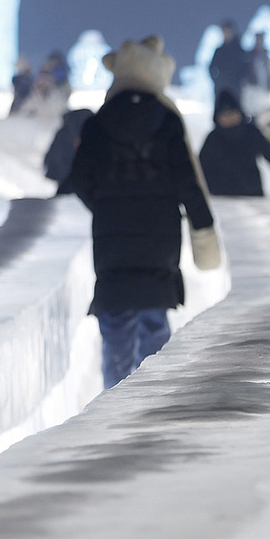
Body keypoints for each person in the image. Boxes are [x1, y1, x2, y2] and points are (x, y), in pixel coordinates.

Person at [66, 36, 222, 388]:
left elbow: (78, 177)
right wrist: (202, 227)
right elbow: (187, 181)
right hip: (160, 238)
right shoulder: (167, 122)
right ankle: (153, 403)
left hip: (112, 240)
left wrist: (106, 204)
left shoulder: (99, 123)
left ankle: (113, 409)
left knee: (117, 319)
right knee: (154, 317)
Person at [198, 90, 270, 197]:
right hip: (221, 195)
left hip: (251, 191)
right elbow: (202, 165)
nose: (229, 118)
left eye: (232, 113)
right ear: (217, 117)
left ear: (240, 113)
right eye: (225, 115)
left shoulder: (251, 132)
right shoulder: (213, 138)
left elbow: (269, 152)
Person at [207, 22, 249, 104]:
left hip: (235, 87)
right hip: (221, 88)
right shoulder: (219, 51)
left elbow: (246, 67)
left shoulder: (239, 51)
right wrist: (217, 80)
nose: (226, 34)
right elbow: (211, 67)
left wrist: (239, 79)